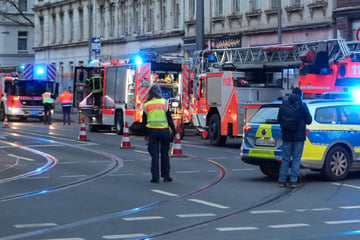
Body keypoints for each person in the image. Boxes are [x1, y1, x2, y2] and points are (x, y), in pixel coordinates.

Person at [277, 87, 312, 188]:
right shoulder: (302, 105)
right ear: (300, 95)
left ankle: (281, 180)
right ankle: (293, 181)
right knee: (296, 159)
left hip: (287, 136)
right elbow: (309, 120)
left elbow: (279, 119)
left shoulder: (284, 104)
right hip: (299, 137)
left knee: (285, 159)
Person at [142, 84, 177, 183]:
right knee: (165, 154)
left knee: (155, 155)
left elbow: (143, 122)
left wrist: (145, 134)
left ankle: (155, 177)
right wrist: (174, 131)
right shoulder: (164, 103)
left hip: (152, 132)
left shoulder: (146, 104)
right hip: (164, 131)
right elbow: (169, 118)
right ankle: (166, 176)